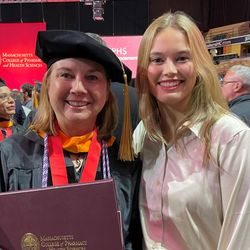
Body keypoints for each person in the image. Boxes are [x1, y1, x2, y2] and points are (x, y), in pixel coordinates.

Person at [0, 30, 142, 249]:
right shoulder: (10, 156)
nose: (78, 88)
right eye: (66, 75)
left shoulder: (125, 162)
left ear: (107, 91)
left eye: (92, 77)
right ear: (48, 85)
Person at [133, 11, 250, 249]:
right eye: (157, 60)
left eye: (182, 58)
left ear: (199, 64)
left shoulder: (231, 138)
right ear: (145, 70)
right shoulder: (144, 134)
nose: (169, 70)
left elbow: (240, 237)